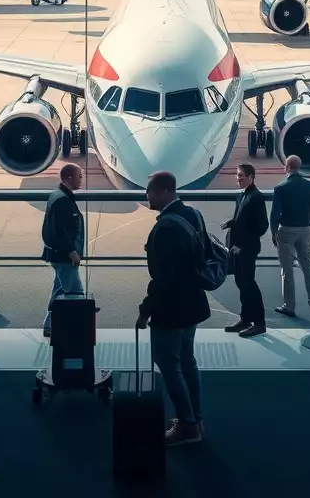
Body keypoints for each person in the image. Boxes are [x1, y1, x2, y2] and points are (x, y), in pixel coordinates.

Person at [136, 171, 209, 447]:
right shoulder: (193, 215)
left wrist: (145, 311)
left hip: (172, 309)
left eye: (150, 191)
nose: (147, 196)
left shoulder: (165, 228)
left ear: (165, 192)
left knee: (168, 364)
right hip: (193, 303)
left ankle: (188, 425)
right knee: (188, 361)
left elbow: (163, 278)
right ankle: (196, 419)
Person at [221, 163, 268, 337]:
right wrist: (231, 223)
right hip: (237, 249)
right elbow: (242, 219)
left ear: (251, 177)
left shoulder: (256, 197)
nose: (238, 178)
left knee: (249, 285)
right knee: (241, 283)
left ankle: (260, 323)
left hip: (246, 249)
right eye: (237, 175)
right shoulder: (242, 196)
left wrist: (243, 246)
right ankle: (246, 319)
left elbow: (262, 226)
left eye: (241, 175)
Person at [270, 154, 310, 318]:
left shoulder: (281, 188)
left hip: (286, 230)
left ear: (287, 167)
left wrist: (273, 232)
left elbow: (275, 214)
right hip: (304, 229)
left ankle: (289, 306)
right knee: (307, 265)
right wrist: (306, 221)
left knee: (287, 269)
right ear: (299, 167)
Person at [40, 162, 85, 337]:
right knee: (75, 292)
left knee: (59, 290)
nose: (81, 180)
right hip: (63, 256)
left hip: (57, 254)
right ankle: (76, 329)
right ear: (69, 178)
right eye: (79, 176)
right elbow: (60, 230)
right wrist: (72, 252)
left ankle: (49, 325)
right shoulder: (62, 200)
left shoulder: (58, 195)